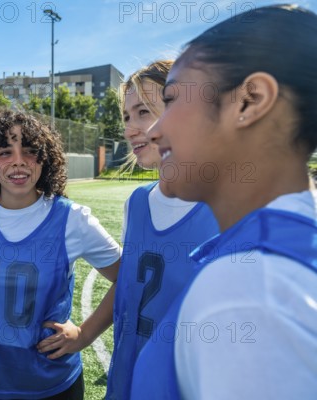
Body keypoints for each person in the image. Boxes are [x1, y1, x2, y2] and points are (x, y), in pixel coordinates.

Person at [130, 4, 317, 399]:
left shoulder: (248, 292)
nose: (156, 129)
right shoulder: (275, 255)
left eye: (174, 98)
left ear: (250, 101)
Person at [35, 60, 220, 400]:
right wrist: (84, 335)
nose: (130, 128)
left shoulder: (227, 210)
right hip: (126, 381)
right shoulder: (137, 204)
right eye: (126, 116)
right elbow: (130, 283)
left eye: (144, 112)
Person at [0, 109, 120, 399]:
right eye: (5, 151)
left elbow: (126, 276)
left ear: (45, 159)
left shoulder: (73, 219)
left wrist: (84, 334)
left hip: (52, 384)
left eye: (30, 150)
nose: (18, 161)